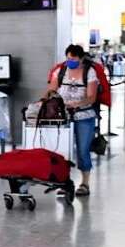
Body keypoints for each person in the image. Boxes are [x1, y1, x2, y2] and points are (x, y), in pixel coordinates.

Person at [45, 44, 98, 197]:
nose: (70, 61)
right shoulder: (61, 71)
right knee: (63, 150)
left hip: (84, 116)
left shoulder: (90, 72)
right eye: (68, 58)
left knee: (82, 150)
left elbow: (91, 97)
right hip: (63, 116)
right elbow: (51, 89)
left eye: (73, 59)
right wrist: (48, 101)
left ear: (81, 58)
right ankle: (64, 182)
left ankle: (85, 183)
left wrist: (77, 104)